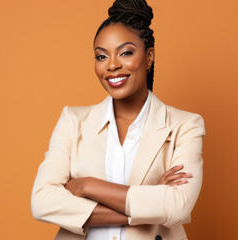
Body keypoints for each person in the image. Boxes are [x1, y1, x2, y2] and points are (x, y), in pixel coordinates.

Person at [30, 0, 206, 239]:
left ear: (149, 56)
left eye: (125, 53)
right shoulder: (72, 120)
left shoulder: (185, 125)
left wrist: (87, 186)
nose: (112, 65)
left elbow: (178, 206)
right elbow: (42, 201)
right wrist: (152, 202)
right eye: (101, 56)